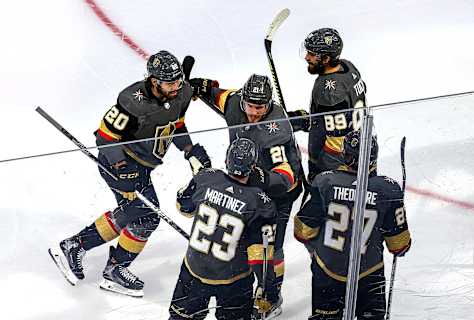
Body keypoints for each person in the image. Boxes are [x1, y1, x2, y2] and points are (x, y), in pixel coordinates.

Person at [48, 50, 212, 297]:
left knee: (143, 216)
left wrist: (189, 150)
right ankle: (81, 248)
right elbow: (104, 137)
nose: (177, 86)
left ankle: (99, 259)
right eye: (171, 82)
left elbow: (175, 124)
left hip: (143, 167)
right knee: (145, 213)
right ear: (154, 81)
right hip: (121, 163)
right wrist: (121, 169)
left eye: (179, 80)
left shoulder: (181, 92)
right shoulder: (132, 101)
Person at [189, 74, 304, 318]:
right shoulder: (235, 102)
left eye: (259, 107)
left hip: (279, 193)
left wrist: (257, 178)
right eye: (249, 106)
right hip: (248, 185)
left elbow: (286, 177)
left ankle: (271, 297)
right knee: (243, 240)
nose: (253, 112)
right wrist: (202, 86)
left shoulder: (276, 132)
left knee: (270, 247)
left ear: (269, 104)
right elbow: (219, 96)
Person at [294, 130, 412, 319]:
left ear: (344, 154)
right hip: (370, 273)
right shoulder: (388, 189)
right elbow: (400, 245)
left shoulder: (325, 182)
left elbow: (303, 231)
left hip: (328, 271)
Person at [169, 138, 277, 320]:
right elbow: (260, 253)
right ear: (253, 167)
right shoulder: (260, 202)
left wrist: (199, 179)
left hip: (194, 272)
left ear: (227, 161)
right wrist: (267, 288)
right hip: (234, 281)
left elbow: (184, 207)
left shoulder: (205, 178)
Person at [288, 28, 368, 183]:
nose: (306, 57)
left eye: (312, 54)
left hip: (340, 168)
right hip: (361, 148)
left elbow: (336, 144)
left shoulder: (329, 92)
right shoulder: (347, 66)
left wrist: (320, 174)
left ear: (325, 59)